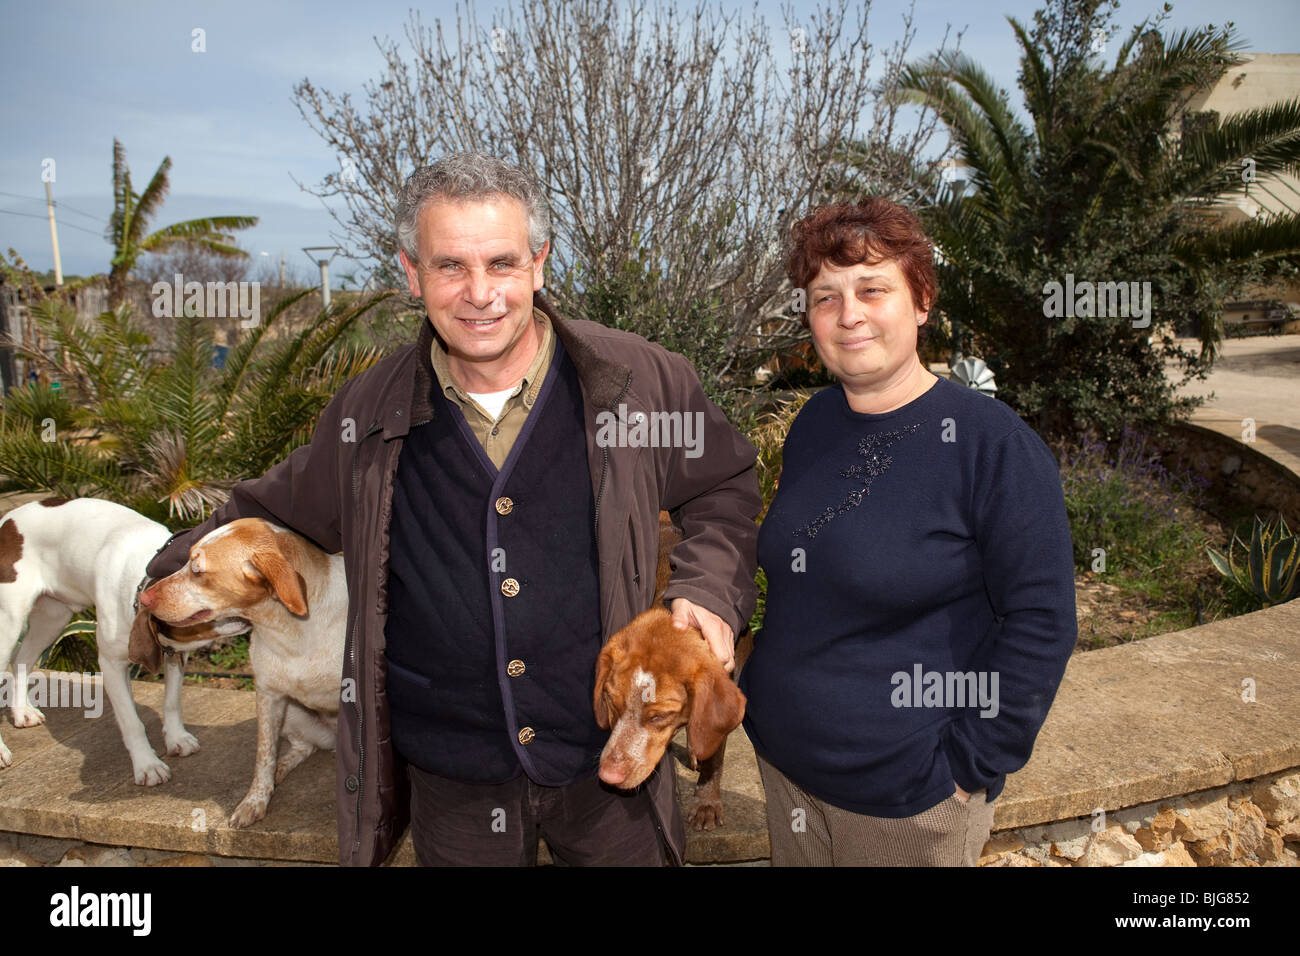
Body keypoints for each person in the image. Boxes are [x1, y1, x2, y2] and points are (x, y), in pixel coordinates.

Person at [146, 152, 759, 866]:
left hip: (608, 766)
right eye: (450, 267)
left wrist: (708, 589)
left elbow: (723, 486)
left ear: (539, 262)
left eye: (501, 263)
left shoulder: (641, 384)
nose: (480, 294)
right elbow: (267, 508)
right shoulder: (367, 414)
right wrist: (155, 576)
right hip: (453, 780)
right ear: (411, 273)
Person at [738, 197, 1076, 866]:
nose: (849, 314)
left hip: (904, 802)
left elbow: (1042, 622)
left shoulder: (992, 447)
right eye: (824, 297)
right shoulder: (815, 426)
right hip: (785, 769)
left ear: (922, 300)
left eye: (872, 289)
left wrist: (967, 768)